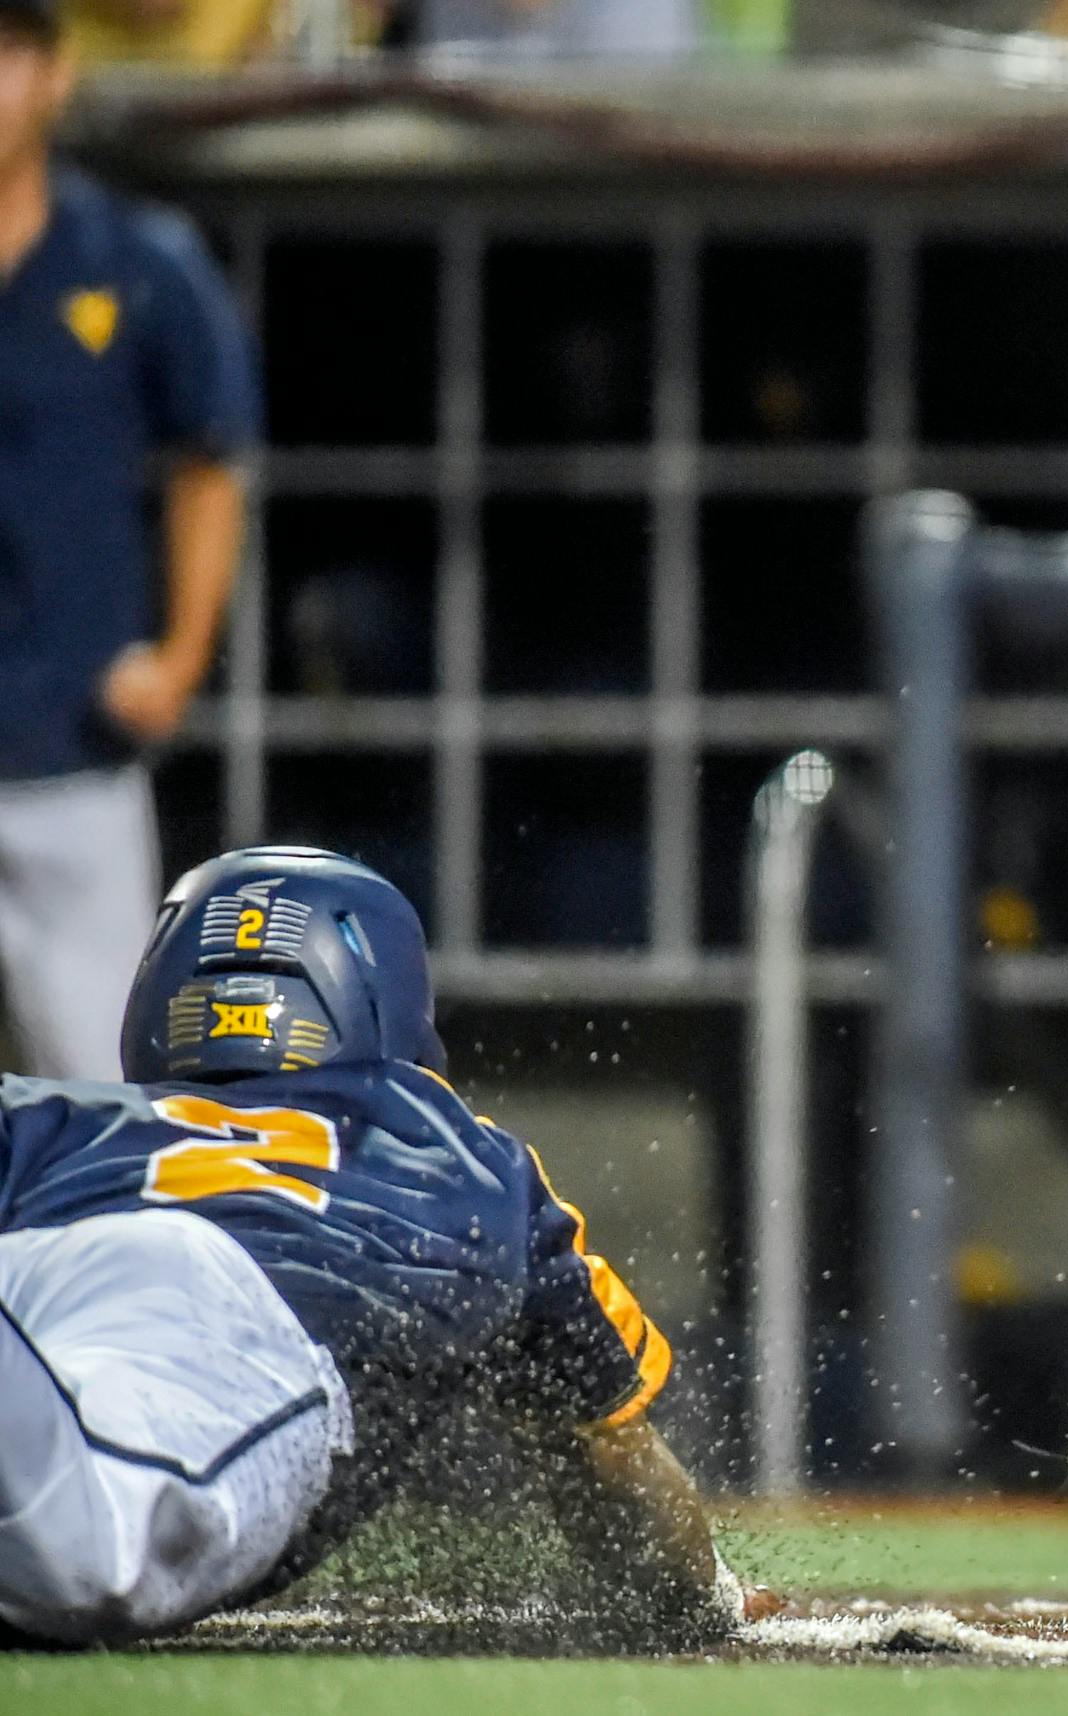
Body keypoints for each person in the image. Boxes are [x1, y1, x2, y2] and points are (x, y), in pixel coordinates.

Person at [0, 846, 764, 1645]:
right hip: (223, 1344)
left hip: (49, 1284)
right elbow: (613, 1455)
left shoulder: (56, 1117)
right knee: (86, 1566)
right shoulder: (458, 1151)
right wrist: (710, 1602)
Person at [0, 0, 253, 1081]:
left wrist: (184, 654)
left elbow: (211, 459)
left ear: (53, 73)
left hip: (73, 755)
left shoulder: (131, 259)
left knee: (109, 1104)